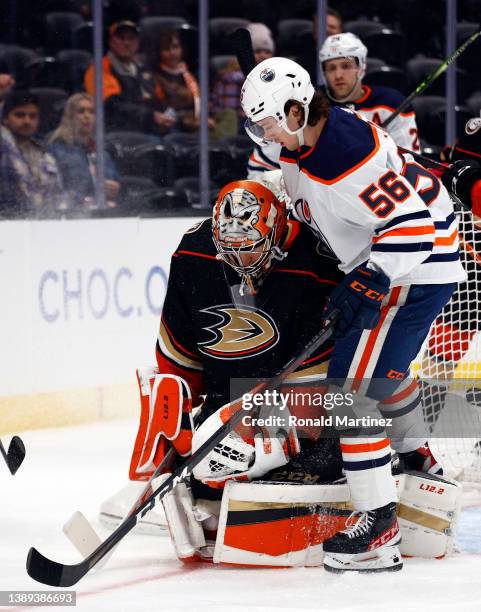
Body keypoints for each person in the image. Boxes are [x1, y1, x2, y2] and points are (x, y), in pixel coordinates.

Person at [240, 56, 466, 572]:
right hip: (414, 260)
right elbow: (286, 160)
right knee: (381, 376)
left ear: (297, 111)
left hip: (412, 266)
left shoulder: (345, 156)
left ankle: (378, 527)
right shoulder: (304, 134)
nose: (263, 135)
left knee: (352, 393)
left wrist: (369, 278)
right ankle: (416, 457)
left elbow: (411, 230)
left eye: (268, 121)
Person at [100, 178, 345, 532]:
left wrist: (266, 444)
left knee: (324, 455)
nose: (239, 260)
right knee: (204, 458)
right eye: (229, 250)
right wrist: (173, 432)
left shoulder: (315, 263)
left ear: (275, 233)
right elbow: (179, 359)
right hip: (229, 402)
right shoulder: (194, 254)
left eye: (250, 248)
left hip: (299, 405)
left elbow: (316, 392)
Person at [320, 32, 420, 151]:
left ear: (361, 67)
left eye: (346, 66)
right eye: (331, 68)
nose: (338, 75)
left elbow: (408, 161)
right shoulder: (313, 104)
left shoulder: (391, 103)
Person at [84, 20, 164, 132]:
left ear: (138, 43)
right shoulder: (100, 68)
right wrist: (150, 116)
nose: (127, 43)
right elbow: (112, 104)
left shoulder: (144, 69)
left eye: (131, 38)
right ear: (111, 41)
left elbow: (159, 99)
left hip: (149, 128)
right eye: (121, 38)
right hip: (117, 131)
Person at [48, 93, 120, 209]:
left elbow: (117, 186)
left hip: (105, 214)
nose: (87, 116)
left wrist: (115, 190)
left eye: (92, 112)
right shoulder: (57, 150)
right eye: (81, 111)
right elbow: (52, 191)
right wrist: (81, 201)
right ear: (70, 116)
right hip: (72, 215)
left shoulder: (104, 154)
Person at [0, 89, 62, 217]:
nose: (27, 121)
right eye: (20, 115)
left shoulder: (45, 156)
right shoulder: (3, 147)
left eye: (32, 116)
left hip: (37, 223)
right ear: (5, 119)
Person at [211, 23, 275, 136]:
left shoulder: (276, 79)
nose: (263, 56)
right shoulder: (232, 79)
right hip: (237, 133)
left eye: (267, 52)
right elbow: (231, 117)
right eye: (258, 51)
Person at [152, 28, 213, 135]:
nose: (172, 53)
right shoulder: (155, 76)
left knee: (228, 115)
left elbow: (202, 101)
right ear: (159, 52)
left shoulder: (188, 74)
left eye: (175, 47)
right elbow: (170, 107)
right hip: (175, 125)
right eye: (167, 49)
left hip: (198, 120)